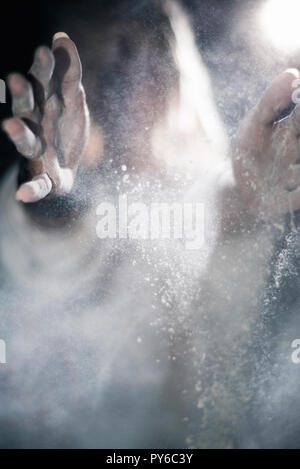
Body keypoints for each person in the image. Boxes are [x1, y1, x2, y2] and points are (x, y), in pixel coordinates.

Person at [1, 0, 300, 448]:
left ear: (176, 75)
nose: (113, 86)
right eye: (90, 69)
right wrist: (53, 204)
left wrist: (248, 199)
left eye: (131, 54)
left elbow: (217, 205)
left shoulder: (210, 188)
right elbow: (48, 260)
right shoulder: (74, 205)